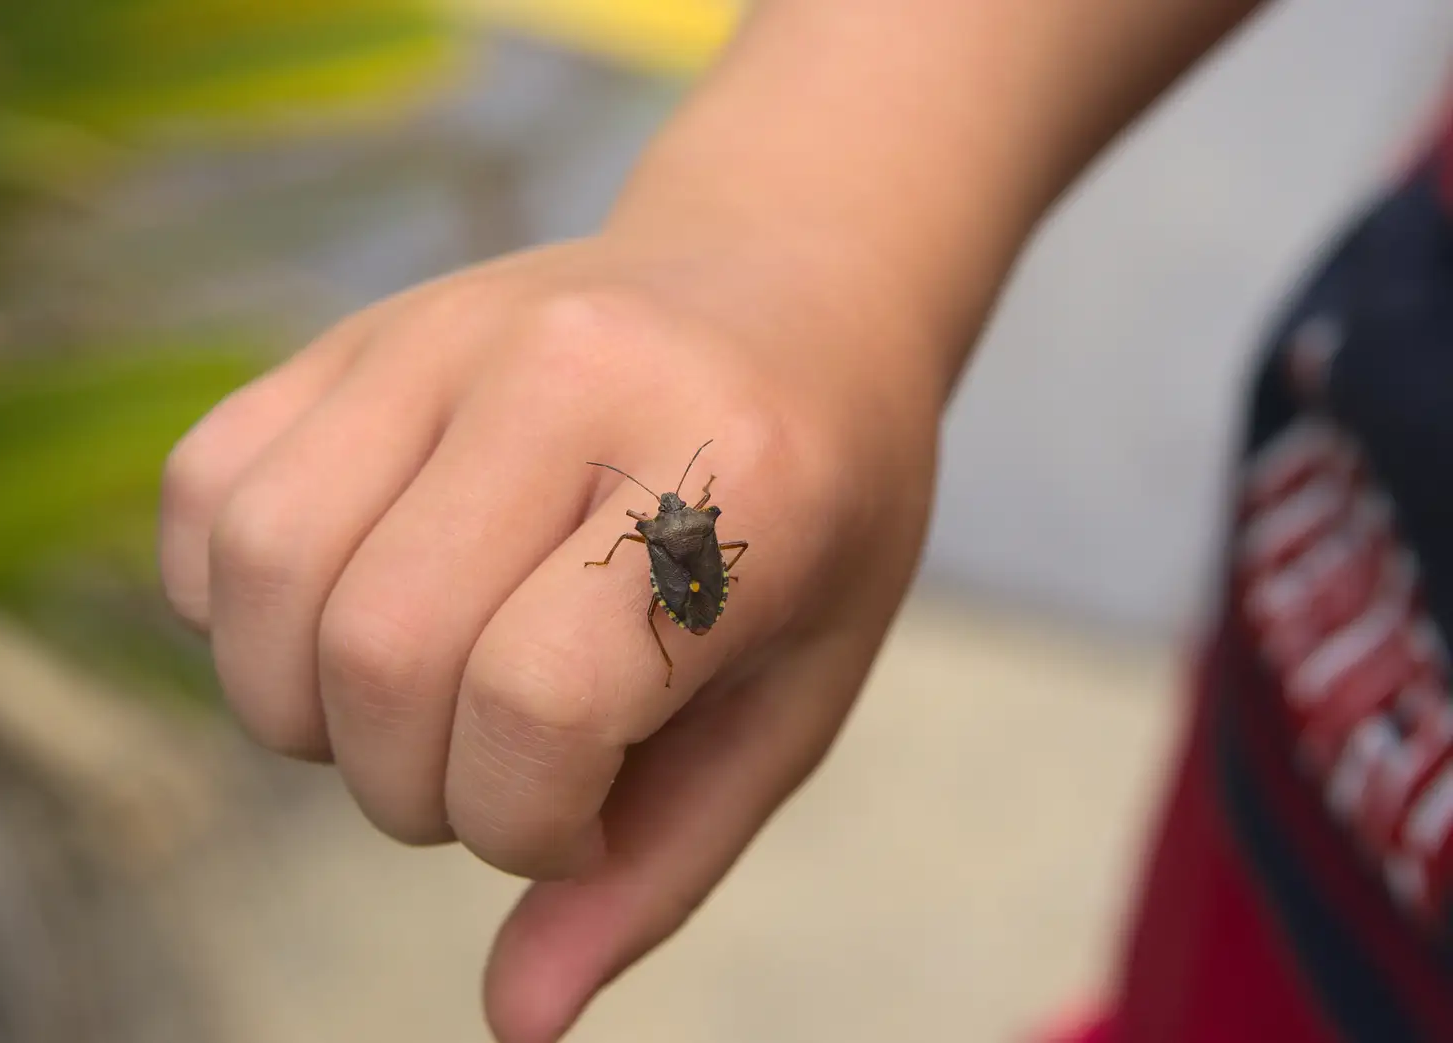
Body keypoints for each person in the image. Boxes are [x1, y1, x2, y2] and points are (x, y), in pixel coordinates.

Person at [156, 1, 1453, 1040]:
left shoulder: (667, 539)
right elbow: (680, 554)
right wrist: (803, 223)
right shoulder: (678, 531)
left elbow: (673, 561)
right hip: (1264, 859)